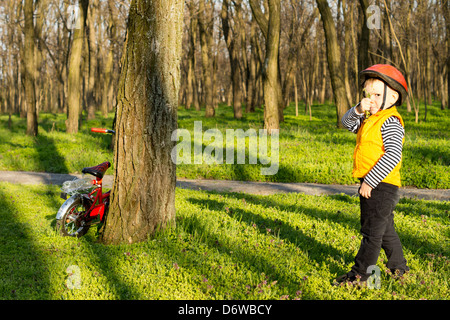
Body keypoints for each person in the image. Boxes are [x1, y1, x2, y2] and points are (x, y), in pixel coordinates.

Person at [336, 64, 410, 285]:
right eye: (368, 95)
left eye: (377, 94)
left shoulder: (390, 121)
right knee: (385, 227)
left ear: (393, 96)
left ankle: (360, 275)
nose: (372, 99)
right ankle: (399, 267)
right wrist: (358, 109)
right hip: (378, 183)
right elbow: (346, 123)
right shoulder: (369, 118)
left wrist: (369, 181)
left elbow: (393, 155)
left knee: (371, 232)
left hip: (380, 184)